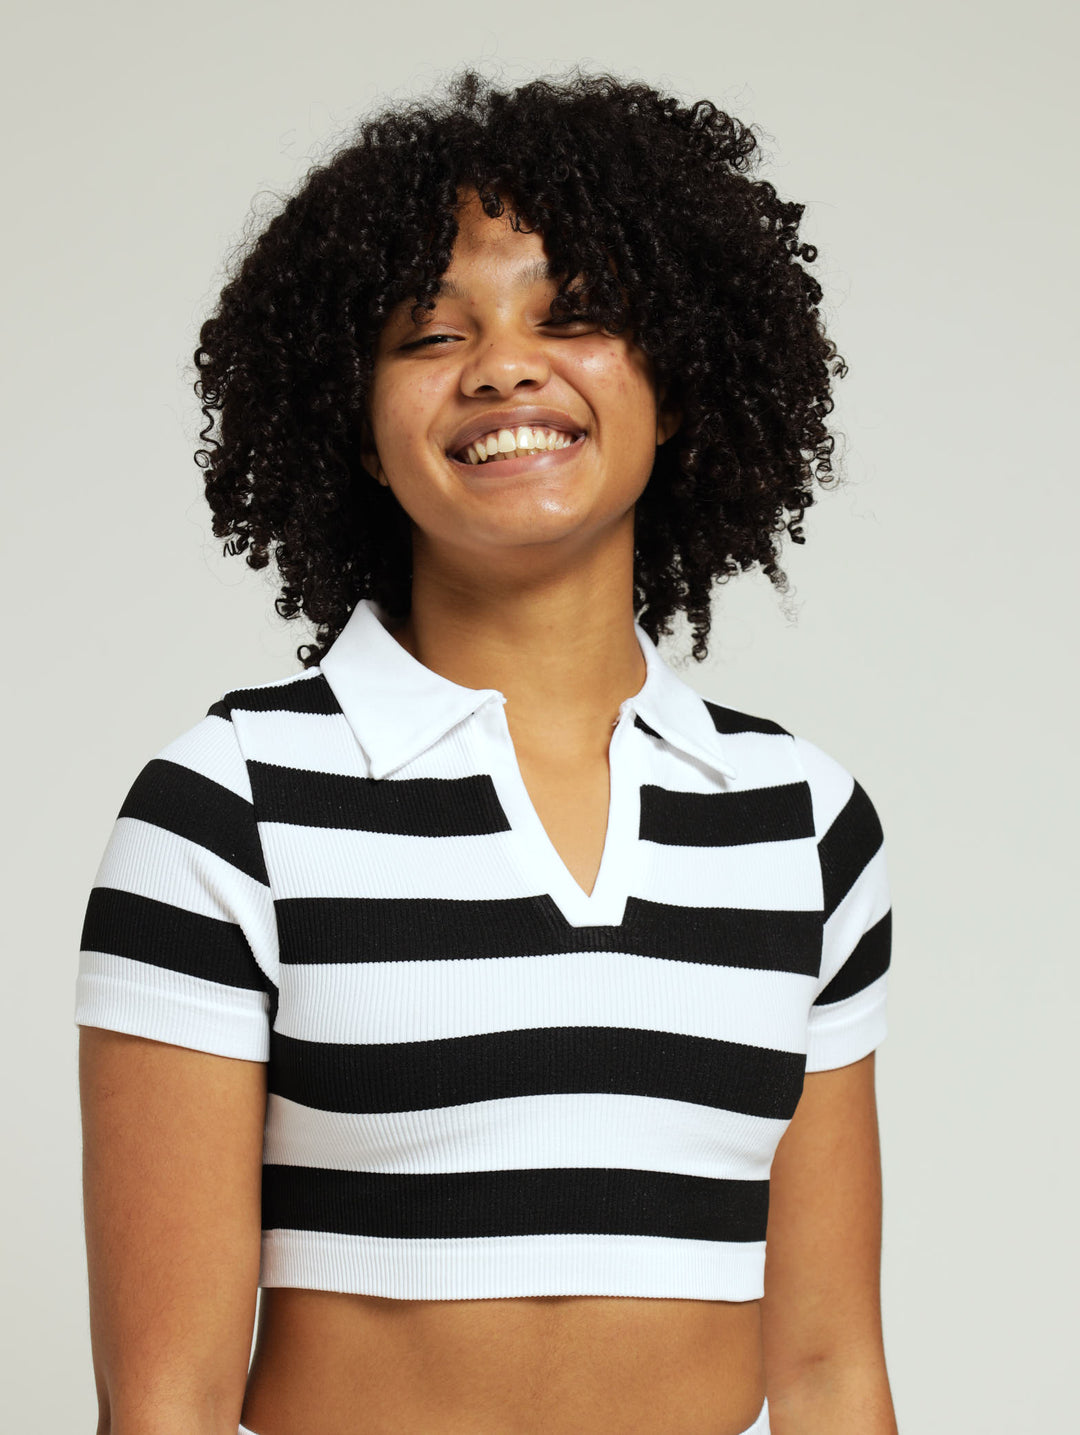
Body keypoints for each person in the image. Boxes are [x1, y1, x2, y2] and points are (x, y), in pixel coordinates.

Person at [75, 67, 898, 1435]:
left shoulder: (801, 824)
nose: (505, 365)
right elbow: (166, 1402)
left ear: (679, 387)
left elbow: (827, 1371)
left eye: (573, 316)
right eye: (431, 333)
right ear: (356, 426)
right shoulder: (229, 810)